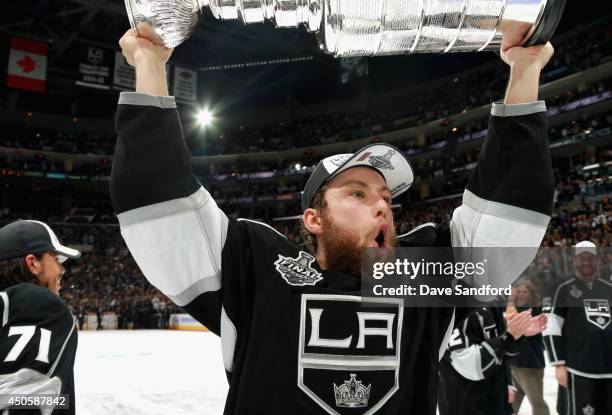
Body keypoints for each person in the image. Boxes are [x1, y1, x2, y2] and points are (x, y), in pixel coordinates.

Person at [110, 23, 555, 414]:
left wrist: (525, 69)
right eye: (357, 193)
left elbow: (506, 215)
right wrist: (150, 63)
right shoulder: (258, 271)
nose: (381, 205)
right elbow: (161, 208)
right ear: (313, 219)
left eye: (384, 196)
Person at [0, 220, 81, 414]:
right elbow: (25, 403)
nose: (62, 269)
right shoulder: (41, 306)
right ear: (32, 263)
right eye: (55, 259)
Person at [543, 241, 612, 415]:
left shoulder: (608, 288)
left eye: (590, 258)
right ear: (574, 260)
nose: (587, 262)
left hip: (608, 369)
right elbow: (551, 326)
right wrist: (559, 364)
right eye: (582, 258)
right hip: (578, 369)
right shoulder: (561, 287)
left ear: (597, 260)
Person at [438, 307, 547, 415]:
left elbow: (501, 353)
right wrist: (510, 336)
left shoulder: (491, 304)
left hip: (495, 402)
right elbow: (471, 365)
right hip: (465, 405)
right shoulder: (455, 308)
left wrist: (518, 334)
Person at [509, 281, 550, 415]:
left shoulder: (534, 310)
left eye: (524, 292)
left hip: (529, 366)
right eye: (519, 292)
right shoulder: (514, 309)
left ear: (531, 295)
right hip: (515, 364)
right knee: (512, 403)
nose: (521, 295)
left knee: (538, 404)